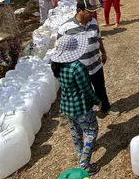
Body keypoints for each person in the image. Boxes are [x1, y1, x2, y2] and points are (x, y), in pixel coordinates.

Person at [58, 0, 118, 118]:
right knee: (84, 92)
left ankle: (105, 108)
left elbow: (98, 39)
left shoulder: (93, 22)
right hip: (80, 70)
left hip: (95, 64)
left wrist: (104, 52)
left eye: (93, 11)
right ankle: (88, 113)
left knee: (100, 88)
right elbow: (61, 50)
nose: (92, 14)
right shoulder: (65, 28)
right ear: (79, 11)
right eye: (89, 11)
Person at [51, 34, 101, 175]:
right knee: (91, 131)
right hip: (81, 107)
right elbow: (86, 89)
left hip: (67, 106)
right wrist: (97, 101)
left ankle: (80, 153)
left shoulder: (57, 65)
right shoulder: (77, 67)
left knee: (76, 132)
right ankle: (84, 164)